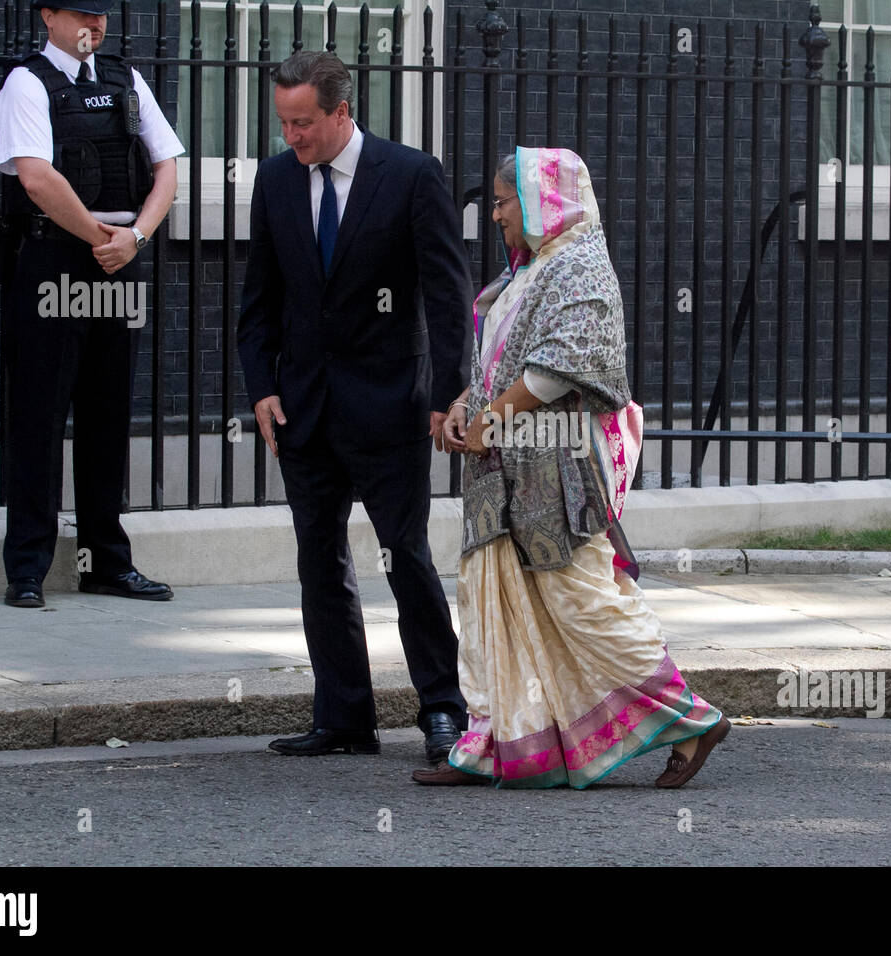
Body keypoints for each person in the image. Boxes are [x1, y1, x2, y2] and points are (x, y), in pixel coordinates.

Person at [412, 147, 731, 789]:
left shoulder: (581, 265)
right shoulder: (529, 270)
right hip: (500, 470)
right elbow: (498, 365)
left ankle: (693, 718)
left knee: (582, 601)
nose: (496, 214)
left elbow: (559, 367)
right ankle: (493, 745)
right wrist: (461, 409)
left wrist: (489, 420)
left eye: (504, 201)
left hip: (555, 472)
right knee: (492, 604)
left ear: (540, 201)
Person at [237, 51, 472, 763]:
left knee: (407, 558)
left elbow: (446, 291)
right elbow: (259, 300)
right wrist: (261, 387)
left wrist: (447, 393)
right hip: (304, 408)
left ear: (342, 112)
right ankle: (343, 717)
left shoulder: (408, 175)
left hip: (389, 405)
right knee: (320, 563)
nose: (292, 137)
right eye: (282, 122)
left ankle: (442, 709)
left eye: (303, 122)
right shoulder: (277, 180)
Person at [0, 0, 182, 608]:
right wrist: (103, 238)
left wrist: (138, 237)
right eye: (80, 13)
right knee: (39, 414)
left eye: (99, 15)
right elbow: (35, 177)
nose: (93, 26)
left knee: (108, 417)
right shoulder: (27, 83)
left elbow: (166, 168)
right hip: (55, 258)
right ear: (48, 17)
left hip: (121, 260)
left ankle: (107, 562)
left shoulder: (127, 81)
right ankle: (26, 567)